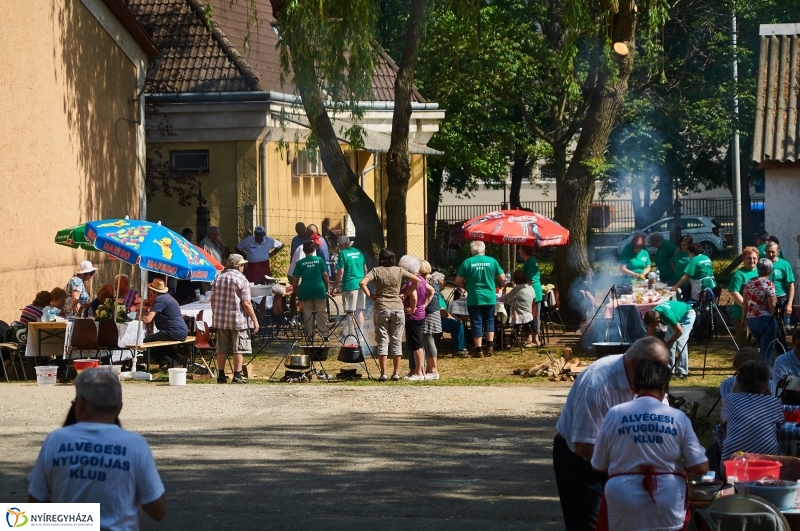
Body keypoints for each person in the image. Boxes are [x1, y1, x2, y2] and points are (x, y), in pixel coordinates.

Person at [553, 336, 671, 531]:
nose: (659, 379)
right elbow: (584, 446)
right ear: (635, 364)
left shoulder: (652, 379)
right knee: (590, 524)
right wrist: (632, 460)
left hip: (624, 462)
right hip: (580, 463)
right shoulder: (596, 384)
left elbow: (660, 421)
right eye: (656, 371)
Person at [27, 369, 166, 529]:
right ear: (119, 408)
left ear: (80, 403)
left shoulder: (56, 439)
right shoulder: (135, 444)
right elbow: (158, 511)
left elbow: (34, 506)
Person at [591, 359, 708, 531]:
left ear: (635, 387)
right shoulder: (678, 417)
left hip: (623, 497)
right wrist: (682, 468)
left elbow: (598, 465)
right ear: (663, 389)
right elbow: (701, 467)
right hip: (667, 499)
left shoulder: (614, 414)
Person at [359, 248, 418, 381]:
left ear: (381, 259)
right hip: (398, 307)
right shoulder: (399, 270)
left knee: (382, 341)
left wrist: (371, 296)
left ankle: (383, 373)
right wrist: (406, 293)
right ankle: (396, 373)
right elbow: (416, 281)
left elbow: (362, 283)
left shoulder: (376, 271)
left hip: (382, 308)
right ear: (393, 259)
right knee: (396, 340)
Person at [721, 360, 784, 460]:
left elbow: (723, 422)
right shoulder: (773, 401)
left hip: (731, 462)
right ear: (766, 384)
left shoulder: (730, 399)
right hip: (767, 462)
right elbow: (780, 424)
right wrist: (770, 396)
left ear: (738, 380)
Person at [210, 254, 259, 384]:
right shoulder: (242, 280)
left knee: (221, 348)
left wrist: (215, 314)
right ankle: (237, 375)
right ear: (238, 266)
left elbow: (213, 300)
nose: (243, 267)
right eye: (242, 265)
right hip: (238, 319)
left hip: (221, 319)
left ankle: (221, 375)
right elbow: (246, 303)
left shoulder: (218, 278)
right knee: (239, 348)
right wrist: (255, 320)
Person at [455, 241, 505, 358]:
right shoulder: (492, 261)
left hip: (474, 297)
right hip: (489, 296)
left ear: (472, 250)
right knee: (489, 320)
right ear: (484, 250)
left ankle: (478, 350)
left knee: (476, 322)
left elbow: (458, 281)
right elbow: (502, 278)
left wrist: (466, 287)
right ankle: (490, 346)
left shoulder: (467, 262)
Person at [399, 255, 434, 381]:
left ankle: (419, 372)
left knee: (416, 344)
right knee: (416, 342)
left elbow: (413, 296)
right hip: (420, 314)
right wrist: (423, 305)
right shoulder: (421, 279)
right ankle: (420, 371)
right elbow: (431, 291)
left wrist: (413, 309)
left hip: (413, 316)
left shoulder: (411, 281)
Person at [141, 278, 189, 368]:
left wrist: (138, 316)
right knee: (160, 341)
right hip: (182, 330)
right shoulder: (168, 297)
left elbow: (148, 319)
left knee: (147, 341)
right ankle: (179, 359)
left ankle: (167, 362)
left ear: (153, 291)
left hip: (173, 331)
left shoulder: (160, 299)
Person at [644, 300, 696, 379]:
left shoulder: (668, 316)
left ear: (658, 321)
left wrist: (666, 344)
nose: (652, 327)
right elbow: (650, 331)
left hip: (687, 315)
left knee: (680, 342)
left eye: (653, 325)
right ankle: (669, 371)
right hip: (676, 317)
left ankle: (683, 372)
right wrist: (648, 346)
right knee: (670, 345)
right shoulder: (653, 314)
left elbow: (679, 332)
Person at [291, 241, 330, 341]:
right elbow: (325, 275)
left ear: (304, 251)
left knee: (307, 313)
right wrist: (328, 287)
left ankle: (310, 335)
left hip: (306, 290)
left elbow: (295, 279)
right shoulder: (319, 260)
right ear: (314, 249)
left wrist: (294, 290)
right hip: (319, 289)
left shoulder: (300, 263)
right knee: (321, 312)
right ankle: (324, 334)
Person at [744, 258, 778, 366]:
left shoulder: (749, 283)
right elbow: (773, 305)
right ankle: (766, 377)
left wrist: (743, 319)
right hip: (765, 320)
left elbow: (745, 303)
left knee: (762, 348)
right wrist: (778, 320)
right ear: (770, 270)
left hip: (751, 320)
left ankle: (761, 372)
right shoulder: (768, 284)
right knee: (767, 352)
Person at [335, 236, 368, 330]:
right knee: (359, 311)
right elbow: (365, 269)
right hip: (361, 285)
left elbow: (340, 272)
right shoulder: (359, 252)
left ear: (341, 245)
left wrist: (335, 287)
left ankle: (352, 336)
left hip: (350, 285)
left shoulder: (342, 254)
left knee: (350, 312)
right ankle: (361, 336)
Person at [729, 247, 760, 348]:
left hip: (758, 314)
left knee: (757, 343)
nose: (752, 260)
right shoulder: (739, 274)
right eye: (749, 258)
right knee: (744, 344)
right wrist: (746, 306)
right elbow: (734, 292)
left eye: (754, 258)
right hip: (742, 314)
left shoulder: (761, 272)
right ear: (744, 259)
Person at [498, 270, 536, 345]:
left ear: (515, 280)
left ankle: (500, 340)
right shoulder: (530, 287)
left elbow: (505, 300)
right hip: (530, 314)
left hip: (519, 316)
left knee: (498, 318)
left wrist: (504, 289)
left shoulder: (517, 289)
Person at [418, 260, 441, 380]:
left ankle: (433, 369)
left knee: (428, 339)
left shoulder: (426, 280)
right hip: (434, 311)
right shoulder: (434, 279)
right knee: (427, 340)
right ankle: (430, 368)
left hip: (429, 312)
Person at [766, 241, 795, 333]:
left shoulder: (784, 264)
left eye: (773, 252)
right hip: (766, 299)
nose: (770, 254)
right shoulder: (763, 264)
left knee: (782, 327)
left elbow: (791, 285)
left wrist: (789, 303)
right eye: (768, 252)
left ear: (778, 251)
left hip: (781, 298)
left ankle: (782, 345)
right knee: (769, 326)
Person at [519, 245, 543, 346]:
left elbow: (528, 279)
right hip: (536, 290)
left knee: (531, 314)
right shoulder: (532, 260)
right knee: (534, 314)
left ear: (524, 251)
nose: (519, 252)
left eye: (520, 249)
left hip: (531, 291)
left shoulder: (529, 262)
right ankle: (534, 336)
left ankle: (533, 337)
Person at [772, 328, 800, 404]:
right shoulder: (782, 361)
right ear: (794, 344)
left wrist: (792, 382)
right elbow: (779, 385)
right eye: (799, 345)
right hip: (790, 407)